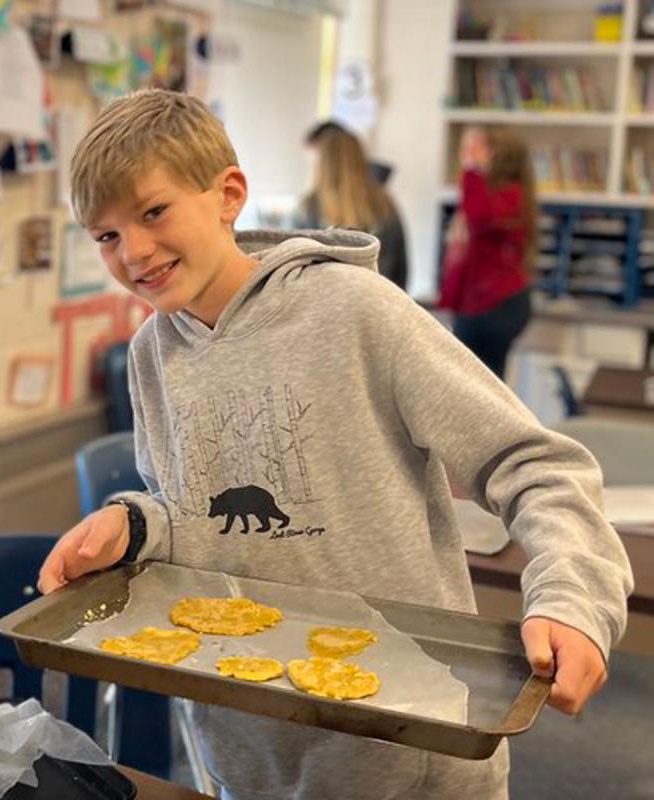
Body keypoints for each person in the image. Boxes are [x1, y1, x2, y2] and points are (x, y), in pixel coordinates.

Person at [38, 89, 632, 800]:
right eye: (104, 235)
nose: (132, 250)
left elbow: (536, 464)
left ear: (228, 195)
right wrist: (134, 522)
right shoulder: (149, 354)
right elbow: (192, 511)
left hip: (412, 755)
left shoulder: (358, 313)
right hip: (247, 753)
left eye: (152, 212)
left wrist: (572, 596)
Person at [439, 125, 536, 379]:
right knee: (474, 382)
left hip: (496, 304)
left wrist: (471, 170)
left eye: (477, 149)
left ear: (496, 155)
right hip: (481, 303)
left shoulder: (508, 195)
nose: (468, 154)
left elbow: (480, 218)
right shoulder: (492, 193)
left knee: (478, 385)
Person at [296, 120, 409, 291]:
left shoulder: (309, 208)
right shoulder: (385, 203)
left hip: (327, 309)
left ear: (324, 162)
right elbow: (401, 270)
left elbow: (295, 270)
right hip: (379, 305)